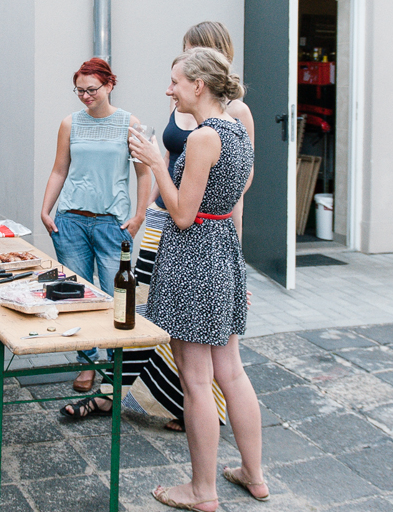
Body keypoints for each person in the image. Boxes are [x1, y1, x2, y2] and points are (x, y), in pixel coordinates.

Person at [64, 22, 253, 427]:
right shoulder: (186, 110)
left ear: (205, 75)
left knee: (198, 351)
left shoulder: (230, 117)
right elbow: (168, 163)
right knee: (139, 313)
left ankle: (192, 416)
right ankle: (115, 394)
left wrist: (233, 258)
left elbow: (235, 184)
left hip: (198, 233)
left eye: (189, 56)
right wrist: (142, 212)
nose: (173, 81)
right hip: (165, 223)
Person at [129, 47, 264, 512]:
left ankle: (201, 489)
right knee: (232, 371)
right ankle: (254, 474)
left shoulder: (205, 137)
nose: (169, 89)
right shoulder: (236, 128)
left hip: (195, 256)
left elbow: (183, 215)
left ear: (198, 86)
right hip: (223, 249)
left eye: (175, 82)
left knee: (197, 380)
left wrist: (155, 162)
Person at [41, 58, 151, 393]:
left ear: (109, 85)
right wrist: (46, 210)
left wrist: (140, 216)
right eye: (79, 91)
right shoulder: (69, 124)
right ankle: (87, 365)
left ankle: (114, 369)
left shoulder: (129, 124)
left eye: (92, 90)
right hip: (70, 221)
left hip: (111, 226)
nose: (86, 96)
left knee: (117, 301)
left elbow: (144, 172)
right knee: (77, 299)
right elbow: (60, 169)